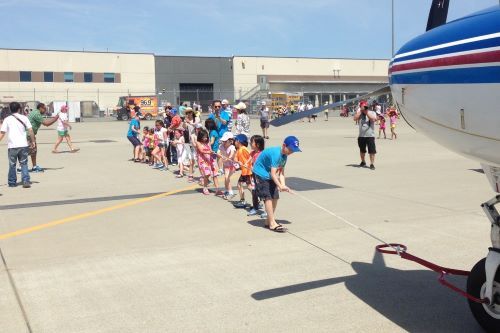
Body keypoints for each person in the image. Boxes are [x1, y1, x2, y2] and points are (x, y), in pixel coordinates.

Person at [252, 136, 301, 232]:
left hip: (269, 175)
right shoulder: (276, 154)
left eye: (293, 150)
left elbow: (281, 172)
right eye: (290, 149)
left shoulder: (284, 156)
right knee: (268, 197)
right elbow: (274, 174)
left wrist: (283, 185)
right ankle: (272, 223)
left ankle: (268, 220)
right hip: (260, 173)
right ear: (284, 145)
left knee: (275, 197)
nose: (291, 152)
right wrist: (280, 186)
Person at [0, 102, 35, 188]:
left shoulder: (7, 119)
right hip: (23, 145)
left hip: (12, 146)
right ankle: (26, 181)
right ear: (19, 109)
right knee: (24, 163)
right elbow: (30, 130)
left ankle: (12, 182)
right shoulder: (24, 118)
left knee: (12, 164)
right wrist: (33, 141)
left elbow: (2, 133)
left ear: (10, 109)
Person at [27, 103, 59, 172]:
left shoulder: (35, 112)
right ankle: (22, 168)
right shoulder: (37, 114)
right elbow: (46, 124)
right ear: (40, 108)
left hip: (29, 134)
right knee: (27, 151)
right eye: (44, 109)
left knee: (33, 151)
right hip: (29, 135)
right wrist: (56, 118)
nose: (45, 111)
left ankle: (34, 166)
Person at [195, 129, 222, 196]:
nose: (205, 138)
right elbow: (201, 151)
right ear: (200, 137)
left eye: (206, 137)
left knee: (214, 174)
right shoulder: (198, 143)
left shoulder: (208, 142)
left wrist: (212, 152)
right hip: (202, 161)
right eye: (204, 137)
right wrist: (209, 152)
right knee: (207, 174)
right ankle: (205, 188)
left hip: (210, 159)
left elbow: (210, 150)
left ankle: (217, 189)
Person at [354, 102, 377, 170]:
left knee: (372, 151)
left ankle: (372, 164)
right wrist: (361, 111)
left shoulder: (372, 112)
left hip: (370, 135)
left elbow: (373, 119)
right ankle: (363, 161)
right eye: (362, 107)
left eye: (365, 106)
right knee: (362, 150)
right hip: (361, 136)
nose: (364, 108)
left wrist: (366, 112)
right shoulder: (360, 113)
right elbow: (355, 118)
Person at [233, 134, 254, 208]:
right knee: (240, 185)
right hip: (244, 171)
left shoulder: (244, 149)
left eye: (235, 140)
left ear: (238, 141)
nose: (234, 142)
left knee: (248, 186)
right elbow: (235, 158)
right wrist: (238, 162)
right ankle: (243, 200)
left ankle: (257, 199)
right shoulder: (238, 150)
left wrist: (246, 163)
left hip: (248, 171)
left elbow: (251, 157)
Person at [247, 135, 265, 217]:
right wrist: (242, 164)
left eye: (252, 142)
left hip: (261, 177)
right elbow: (248, 160)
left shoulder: (262, 154)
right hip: (254, 176)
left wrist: (253, 167)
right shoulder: (252, 152)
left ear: (257, 144)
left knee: (264, 193)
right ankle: (255, 207)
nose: (250, 143)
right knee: (254, 192)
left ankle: (267, 210)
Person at [218, 132, 236, 199]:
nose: (224, 142)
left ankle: (230, 192)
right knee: (226, 178)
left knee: (227, 178)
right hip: (225, 165)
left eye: (225, 141)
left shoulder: (232, 147)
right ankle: (227, 191)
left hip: (232, 166)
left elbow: (231, 155)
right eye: (223, 141)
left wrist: (227, 159)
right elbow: (218, 152)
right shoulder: (221, 146)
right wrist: (218, 154)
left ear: (231, 141)